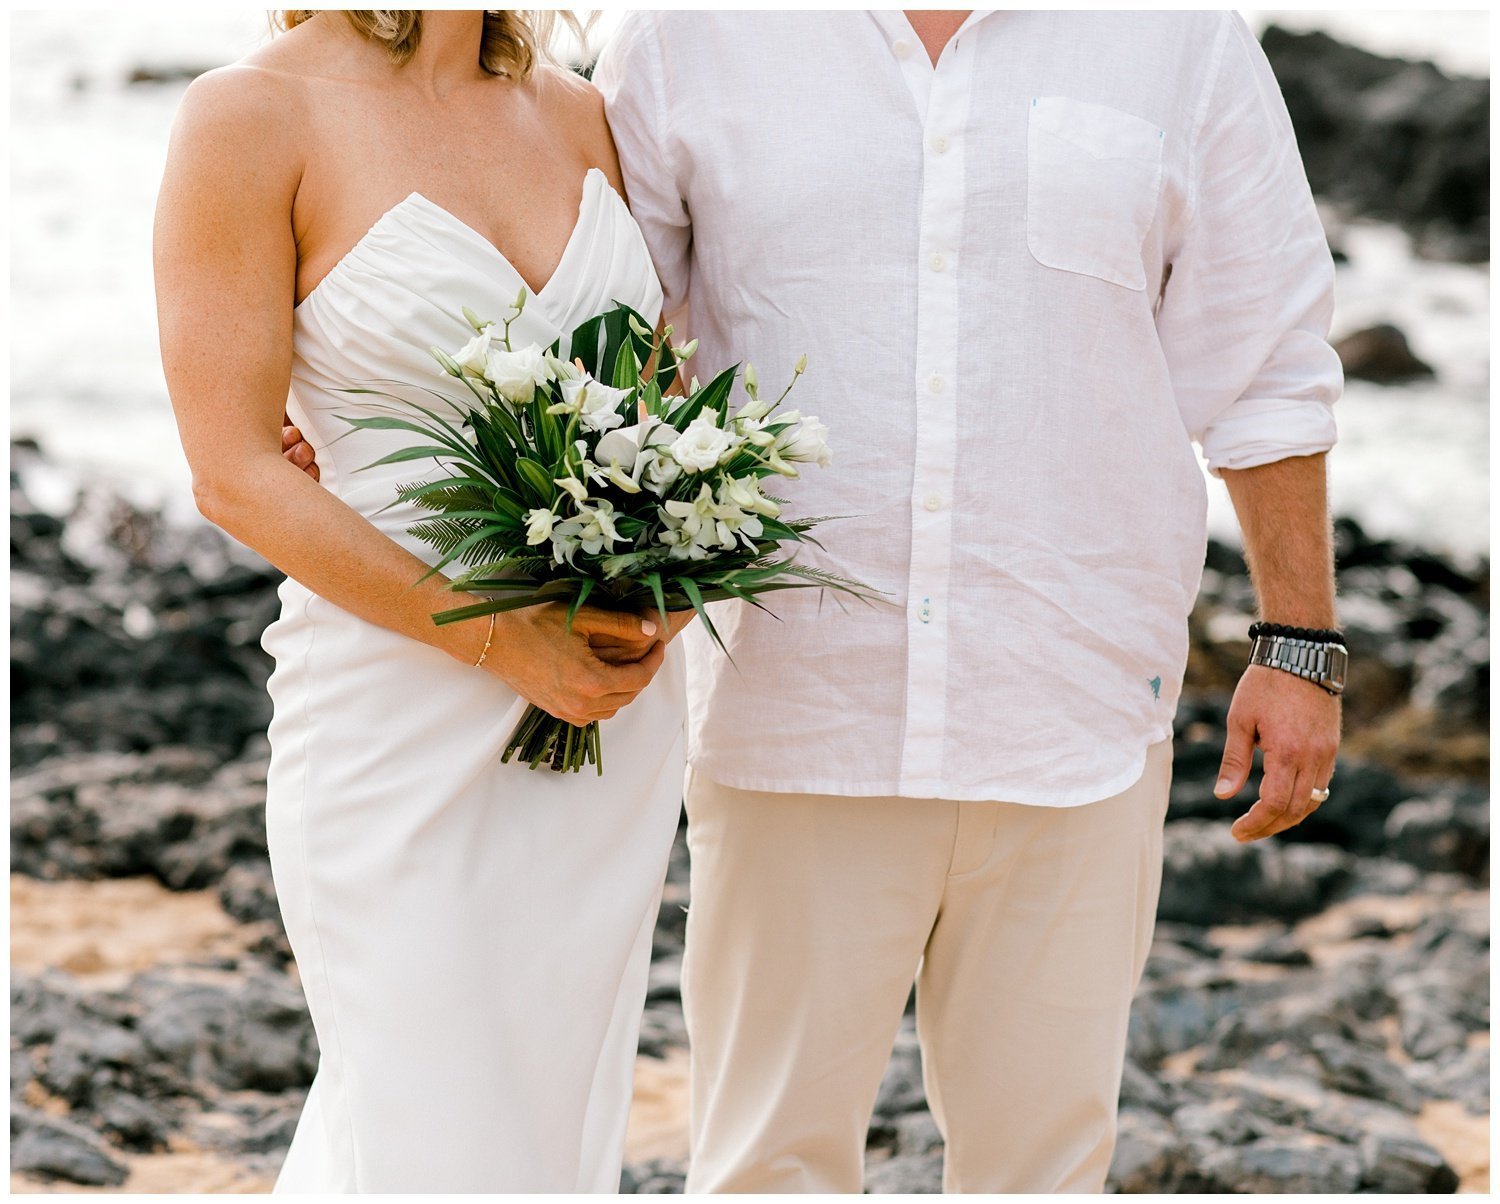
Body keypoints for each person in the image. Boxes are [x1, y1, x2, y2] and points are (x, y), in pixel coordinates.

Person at [283, 9, 1347, 1194]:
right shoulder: (685, 33)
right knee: (766, 1168)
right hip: (791, 715)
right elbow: (592, 332)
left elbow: (1270, 367)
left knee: (1046, 1166)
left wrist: (1299, 643)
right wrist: (334, 407)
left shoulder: (1177, 36)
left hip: (1076, 713)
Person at [154, 10, 692, 1192]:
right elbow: (232, 469)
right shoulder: (248, 116)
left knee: (547, 1127)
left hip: (608, 725)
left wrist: (675, 581)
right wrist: (506, 639)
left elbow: (656, 399)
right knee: (424, 1120)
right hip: (394, 724)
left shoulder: (579, 111)